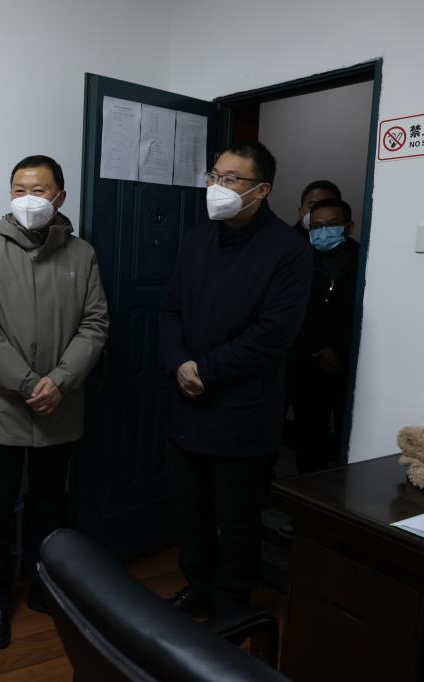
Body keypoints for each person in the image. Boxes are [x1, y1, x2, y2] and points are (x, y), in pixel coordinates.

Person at [0, 155, 109, 649]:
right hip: (2, 408)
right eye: (19, 189)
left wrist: (60, 382)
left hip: (59, 409)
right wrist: (27, 384)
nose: (28, 199)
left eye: (39, 190)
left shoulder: (81, 254)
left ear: (60, 198)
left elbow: (95, 324)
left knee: (49, 508)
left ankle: (45, 587)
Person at [160, 141, 311, 617]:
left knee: (237, 518)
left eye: (231, 179)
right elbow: (171, 309)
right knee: (190, 511)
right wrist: (179, 362)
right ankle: (198, 586)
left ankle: (231, 606)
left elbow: (272, 335)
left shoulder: (289, 251)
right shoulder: (196, 239)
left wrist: (206, 371)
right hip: (187, 402)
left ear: (261, 190)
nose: (217, 187)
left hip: (242, 409)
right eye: (214, 176)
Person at [290, 198, 359, 474]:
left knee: (349, 433)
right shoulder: (298, 259)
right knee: (309, 435)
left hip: (349, 363)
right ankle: (306, 491)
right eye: (316, 226)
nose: (323, 231)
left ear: (348, 227)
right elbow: (291, 310)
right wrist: (317, 347)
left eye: (331, 225)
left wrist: (339, 350)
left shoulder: (365, 260)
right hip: (307, 360)